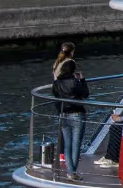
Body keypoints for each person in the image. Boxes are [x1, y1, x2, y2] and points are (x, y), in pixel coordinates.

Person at [51, 45, 87, 181]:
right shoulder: (75, 82)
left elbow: (55, 94)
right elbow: (85, 94)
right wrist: (82, 80)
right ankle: (72, 173)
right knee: (76, 144)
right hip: (77, 113)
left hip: (63, 113)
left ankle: (70, 172)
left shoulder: (57, 82)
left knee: (67, 144)